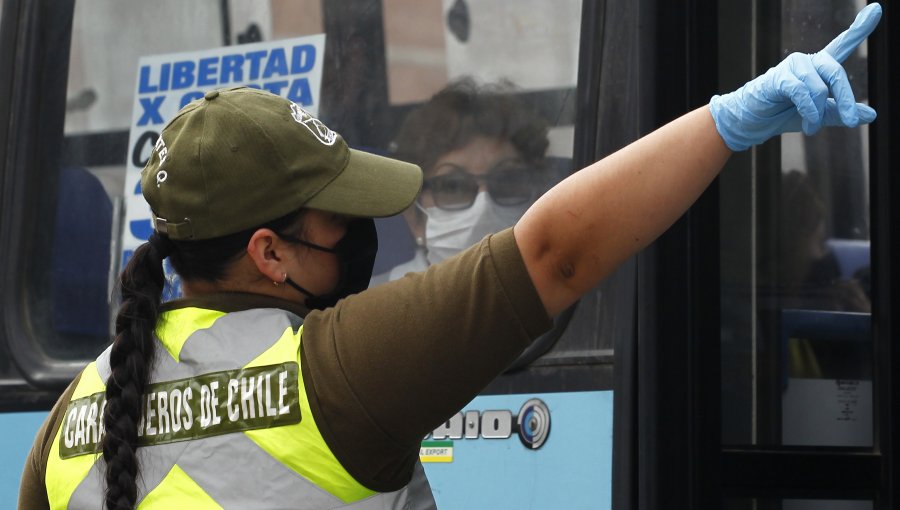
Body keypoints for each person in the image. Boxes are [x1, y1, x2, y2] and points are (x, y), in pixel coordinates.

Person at [19, 4, 882, 509]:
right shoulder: (337, 372)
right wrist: (726, 122)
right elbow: (554, 253)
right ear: (268, 253)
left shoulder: (68, 423)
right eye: (339, 216)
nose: (365, 232)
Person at [372, 78, 553, 284]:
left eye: (507, 181)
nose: (484, 207)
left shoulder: (564, 302)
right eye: (453, 186)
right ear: (414, 217)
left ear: (538, 198)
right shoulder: (366, 310)